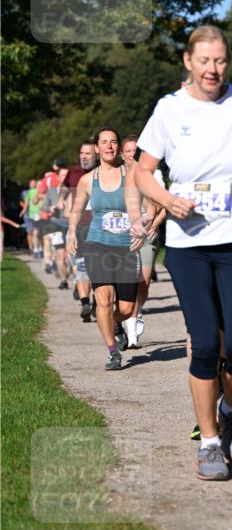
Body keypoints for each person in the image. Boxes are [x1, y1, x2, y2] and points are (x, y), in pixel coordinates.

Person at [134, 24, 232, 481]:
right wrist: (166, 199)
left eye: (220, 60)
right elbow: (142, 170)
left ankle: (230, 410)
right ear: (188, 61)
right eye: (204, 61)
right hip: (187, 245)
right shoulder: (168, 109)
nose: (212, 69)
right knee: (204, 345)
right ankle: (211, 444)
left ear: (227, 62)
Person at [67, 127, 144, 370]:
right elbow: (76, 210)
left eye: (113, 142)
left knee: (126, 308)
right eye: (104, 142)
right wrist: (71, 232)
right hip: (97, 244)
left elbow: (150, 204)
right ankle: (112, 352)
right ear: (97, 148)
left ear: (118, 148)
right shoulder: (88, 180)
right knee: (103, 299)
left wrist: (146, 226)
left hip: (126, 246)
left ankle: (115, 323)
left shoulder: (132, 175)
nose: (109, 146)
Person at [120, 135, 166, 348]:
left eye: (135, 150)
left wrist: (154, 224)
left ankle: (136, 312)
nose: (131, 154)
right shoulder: (115, 176)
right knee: (126, 282)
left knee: (144, 282)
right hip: (123, 235)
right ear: (122, 155)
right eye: (128, 151)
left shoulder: (153, 174)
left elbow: (163, 203)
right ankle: (128, 322)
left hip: (148, 234)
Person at [61, 140, 97, 321]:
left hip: (99, 226)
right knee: (82, 265)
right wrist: (62, 199)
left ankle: (98, 302)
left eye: (88, 154)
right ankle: (85, 304)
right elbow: (64, 187)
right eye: (82, 153)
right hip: (79, 226)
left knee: (97, 267)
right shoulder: (73, 171)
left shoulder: (104, 173)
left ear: (96, 155)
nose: (84, 157)